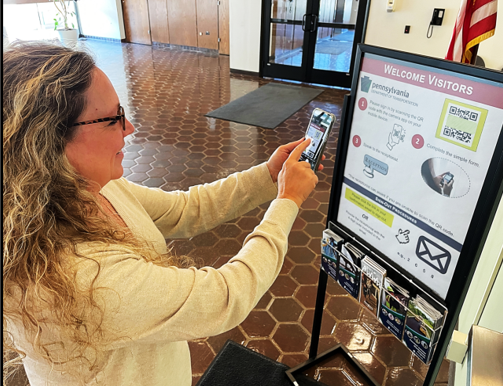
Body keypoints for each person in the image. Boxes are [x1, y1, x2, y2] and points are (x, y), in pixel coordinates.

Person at [3, 41, 322, 386]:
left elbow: (184, 209)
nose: (129, 130)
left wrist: (268, 176)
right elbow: (226, 296)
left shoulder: (90, 186)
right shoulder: (82, 275)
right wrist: (287, 201)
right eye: (113, 119)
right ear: (47, 140)